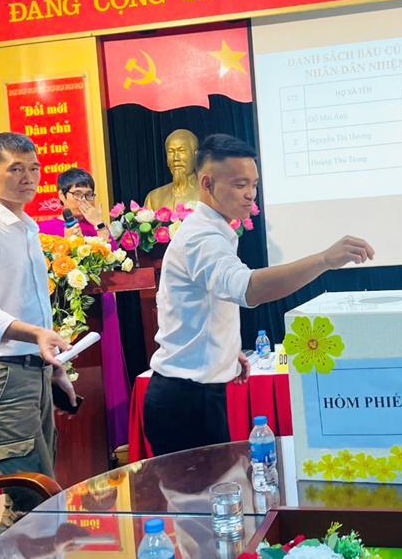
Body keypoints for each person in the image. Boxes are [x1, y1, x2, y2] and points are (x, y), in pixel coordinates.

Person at [143, 134, 375, 455]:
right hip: (185, 402)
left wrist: (225, 351)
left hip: (195, 394)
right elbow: (248, 288)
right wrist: (324, 260)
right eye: (240, 185)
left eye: (254, 184)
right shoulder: (202, 238)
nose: (250, 194)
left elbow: (202, 305)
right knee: (205, 488)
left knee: (219, 484)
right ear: (207, 183)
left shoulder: (215, 230)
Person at [0, 132, 75, 539]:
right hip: (1, 377)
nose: (29, 178)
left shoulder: (27, 228)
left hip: (33, 370)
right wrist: (35, 333)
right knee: (31, 504)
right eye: (16, 169)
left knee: (41, 498)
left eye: (34, 168)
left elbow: (33, 307)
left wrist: (53, 366)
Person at [38, 168, 130, 453]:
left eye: (88, 194)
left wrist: (100, 225)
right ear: (61, 196)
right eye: (77, 194)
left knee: (109, 371)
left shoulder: (96, 226)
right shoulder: (47, 230)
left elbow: (116, 263)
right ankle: (77, 445)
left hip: (102, 310)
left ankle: (115, 442)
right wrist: (68, 241)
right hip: (65, 312)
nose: (83, 201)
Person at [144, 129, 201, 210]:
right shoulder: (154, 198)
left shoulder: (209, 194)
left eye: (181, 151)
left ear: (196, 155)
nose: (176, 158)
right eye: (171, 152)